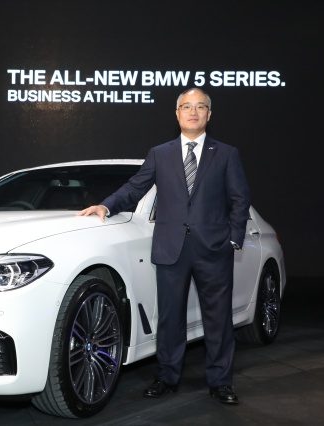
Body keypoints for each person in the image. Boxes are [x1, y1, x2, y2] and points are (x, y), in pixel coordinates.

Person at [78, 88, 250, 404]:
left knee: (218, 319)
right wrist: (106, 205)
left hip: (214, 249)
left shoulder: (226, 154)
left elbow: (240, 199)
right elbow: (135, 187)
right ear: (177, 113)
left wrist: (233, 238)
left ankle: (221, 382)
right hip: (171, 248)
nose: (193, 112)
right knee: (170, 319)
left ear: (209, 114)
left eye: (200, 106)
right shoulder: (160, 153)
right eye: (186, 106)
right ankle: (168, 377)